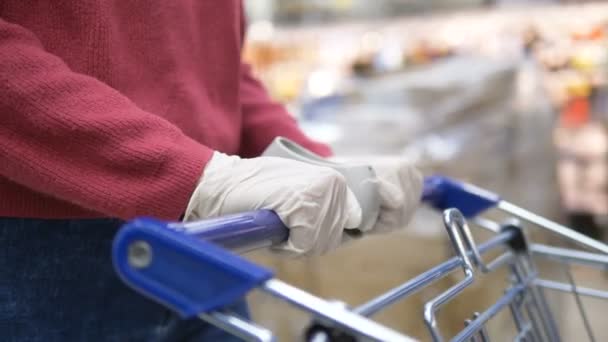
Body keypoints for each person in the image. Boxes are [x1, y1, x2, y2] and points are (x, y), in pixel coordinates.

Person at [0, 1, 422, 341]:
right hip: (39, 244)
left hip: (206, 236)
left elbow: (214, 67)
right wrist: (196, 177)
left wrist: (312, 162)